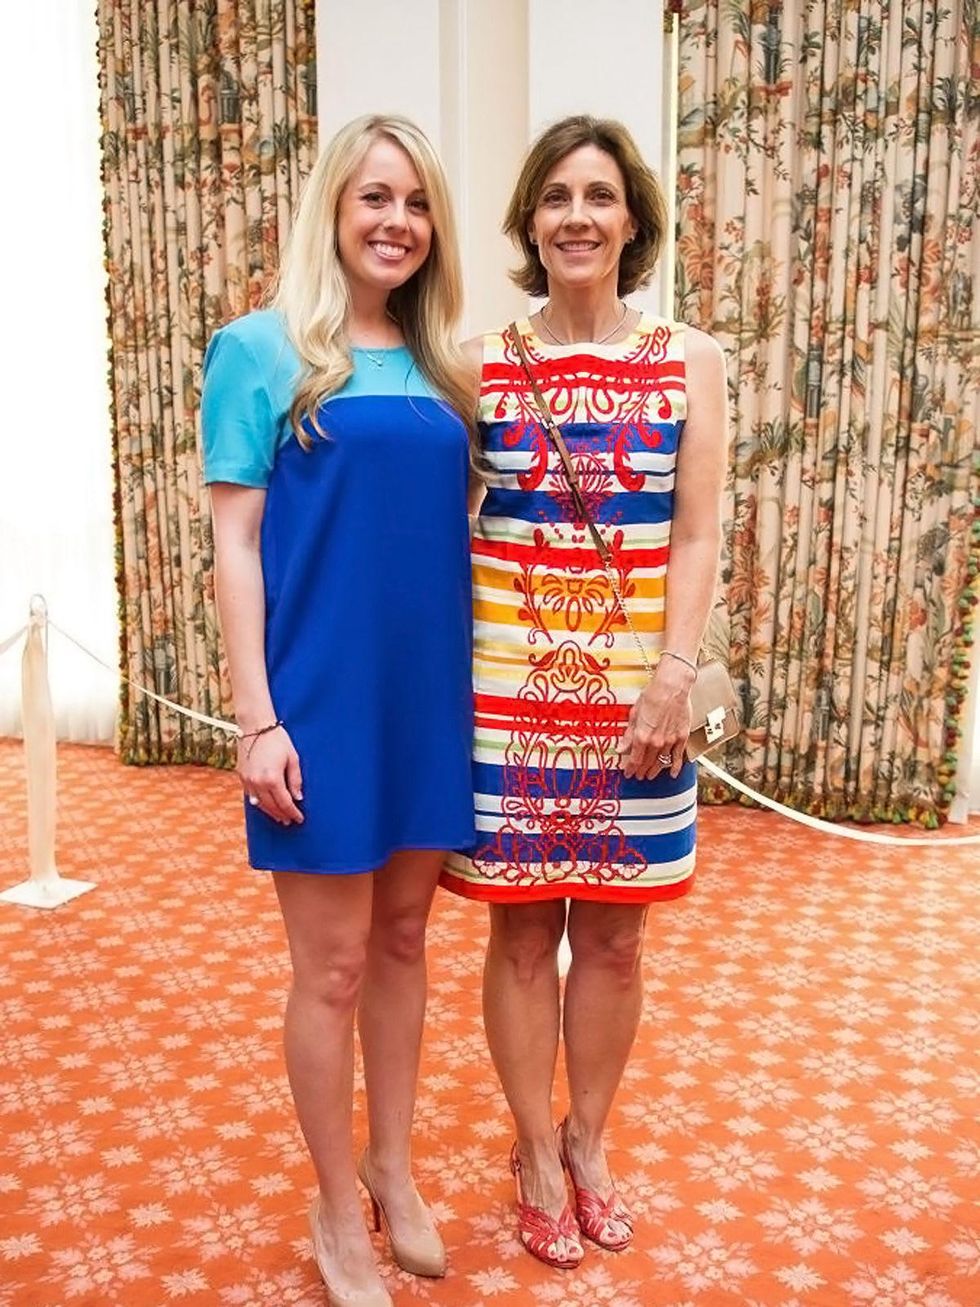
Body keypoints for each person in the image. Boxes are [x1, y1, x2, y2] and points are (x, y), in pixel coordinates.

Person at [442, 115, 728, 1268]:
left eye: (598, 196)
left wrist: (670, 675)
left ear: (631, 220)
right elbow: (437, 522)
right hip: (506, 688)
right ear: (526, 221)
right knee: (518, 936)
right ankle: (530, 1148)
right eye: (554, 196)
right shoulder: (475, 360)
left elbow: (698, 527)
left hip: (636, 700)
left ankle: (589, 1138)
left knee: (612, 941)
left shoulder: (689, 358)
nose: (575, 216)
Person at [201, 114, 476, 1307]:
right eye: (373, 198)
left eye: (413, 204)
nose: (394, 223)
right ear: (332, 206)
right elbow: (234, 540)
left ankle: (390, 1164)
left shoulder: (445, 365)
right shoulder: (259, 348)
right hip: (316, 700)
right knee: (329, 967)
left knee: (407, 940)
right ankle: (330, 1200)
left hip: (426, 699)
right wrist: (258, 718)